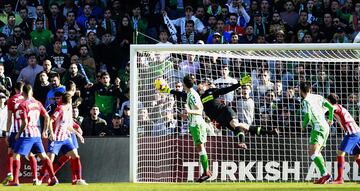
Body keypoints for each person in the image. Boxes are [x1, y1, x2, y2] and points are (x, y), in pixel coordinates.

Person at [158, 75, 278, 149]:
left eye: (204, 83)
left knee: (236, 125)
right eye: (201, 83)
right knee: (243, 127)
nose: (202, 85)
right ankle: (270, 132)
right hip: (218, 118)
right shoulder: (195, 96)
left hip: (225, 111)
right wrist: (168, 90)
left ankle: (242, 143)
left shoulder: (211, 92)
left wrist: (239, 84)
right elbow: (181, 94)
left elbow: (226, 89)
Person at [8, 84, 58, 186]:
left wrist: (18, 133)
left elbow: (25, 122)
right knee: (44, 157)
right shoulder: (37, 103)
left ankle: (15, 181)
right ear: (32, 92)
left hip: (27, 135)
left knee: (16, 155)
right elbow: (47, 117)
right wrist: (45, 130)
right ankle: (53, 177)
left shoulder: (23, 104)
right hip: (36, 134)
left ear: (23, 93)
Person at [39, 93, 87, 185]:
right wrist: (52, 133)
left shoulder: (68, 110)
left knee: (75, 156)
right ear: (69, 101)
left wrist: (78, 134)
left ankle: (78, 179)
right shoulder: (60, 109)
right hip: (56, 139)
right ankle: (40, 178)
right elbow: (50, 120)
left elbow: (68, 125)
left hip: (65, 138)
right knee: (50, 159)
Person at [300, 82, 334, 184]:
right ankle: (324, 175)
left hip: (318, 127)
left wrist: (303, 125)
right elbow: (331, 108)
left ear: (301, 91)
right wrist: (330, 119)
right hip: (325, 126)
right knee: (317, 153)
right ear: (310, 89)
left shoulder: (305, 101)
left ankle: (325, 174)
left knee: (312, 153)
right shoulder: (318, 97)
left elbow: (309, 116)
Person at [181, 75, 211, 182]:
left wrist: (188, 111)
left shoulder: (193, 94)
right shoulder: (190, 93)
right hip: (194, 124)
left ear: (184, 84)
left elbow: (199, 111)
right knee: (199, 148)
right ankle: (205, 171)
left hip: (197, 124)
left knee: (201, 148)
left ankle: (206, 171)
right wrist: (186, 115)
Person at [326, 93, 360, 184]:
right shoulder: (340, 106)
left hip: (352, 133)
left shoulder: (335, 107)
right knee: (357, 156)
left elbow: (331, 108)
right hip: (357, 132)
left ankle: (340, 179)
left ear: (329, 100)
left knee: (340, 153)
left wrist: (330, 119)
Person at [2, 82, 24, 185]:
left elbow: (9, 119)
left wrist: (7, 134)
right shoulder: (28, 99)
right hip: (28, 130)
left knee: (11, 153)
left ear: (15, 89)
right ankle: (36, 178)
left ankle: (13, 177)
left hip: (15, 130)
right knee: (31, 154)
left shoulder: (11, 100)